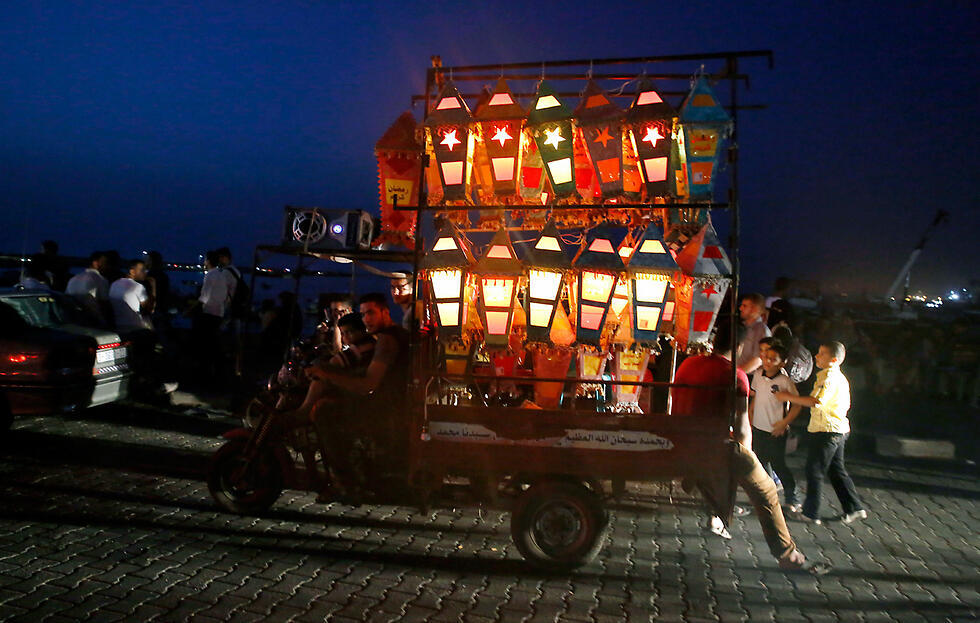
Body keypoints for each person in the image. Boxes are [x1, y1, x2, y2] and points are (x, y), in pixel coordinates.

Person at [671, 322, 825, 573]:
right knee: (766, 490)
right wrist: (750, 459)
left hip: (681, 439)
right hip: (712, 446)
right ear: (740, 345)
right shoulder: (735, 375)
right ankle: (788, 555)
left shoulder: (689, 363)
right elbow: (743, 429)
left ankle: (710, 497)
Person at [306, 293, 410, 496]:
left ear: (385, 311)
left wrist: (326, 374)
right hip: (391, 402)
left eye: (370, 313)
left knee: (325, 411)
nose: (366, 319)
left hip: (386, 407)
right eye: (362, 315)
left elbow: (367, 385)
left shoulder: (387, 339)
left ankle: (346, 481)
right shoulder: (392, 334)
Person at [776, 341, 867, 524]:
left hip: (827, 430)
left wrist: (787, 397)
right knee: (836, 470)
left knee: (814, 470)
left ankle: (811, 513)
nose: (816, 356)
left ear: (833, 360)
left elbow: (815, 401)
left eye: (821, 354)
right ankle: (854, 507)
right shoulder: (834, 376)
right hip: (837, 429)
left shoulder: (828, 378)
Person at [750, 342, 802, 512]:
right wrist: (750, 415)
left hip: (775, 430)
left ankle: (792, 496)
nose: (768, 361)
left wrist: (784, 423)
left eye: (773, 359)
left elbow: (797, 404)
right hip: (759, 428)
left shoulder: (784, 381)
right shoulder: (758, 375)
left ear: (782, 362)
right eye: (766, 357)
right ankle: (766, 496)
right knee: (761, 462)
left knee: (778, 463)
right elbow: (756, 397)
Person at [66, 251, 110, 326]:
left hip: (73, 319)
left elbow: (66, 298)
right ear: (95, 263)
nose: (106, 266)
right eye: (104, 263)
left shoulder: (73, 279)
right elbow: (104, 304)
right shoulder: (101, 280)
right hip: (93, 321)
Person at [109, 259, 153, 333]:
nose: (145, 273)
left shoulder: (114, 284)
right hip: (136, 326)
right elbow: (149, 309)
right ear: (132, 271)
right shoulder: (138, 287)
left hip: (118, 324)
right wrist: (153, 287)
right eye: (142, 270)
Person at [737, 293, 770, 375]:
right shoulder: (741, 327)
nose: (740, 308)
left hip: (747, 378)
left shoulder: (761, 330)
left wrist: (737, 374)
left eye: (744, 306)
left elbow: (758, 360)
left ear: (755, 309)